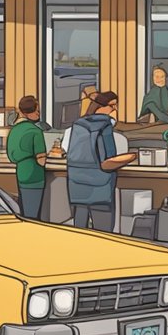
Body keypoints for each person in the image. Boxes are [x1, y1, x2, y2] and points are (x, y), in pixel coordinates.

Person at [65, 91, 132, 232]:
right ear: (99, 107)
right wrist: (131, 157)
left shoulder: (78, 125)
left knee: (79, 232)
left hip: (78, 187)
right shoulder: (104, 126)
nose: (115, 110)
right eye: (112, 106)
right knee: (103, 233)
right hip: (100, 189)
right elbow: (106, 163)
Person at [7, 95, 48, 220]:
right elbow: (42, 160)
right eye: (36, 110)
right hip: (34, 175)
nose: (38, 113)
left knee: (23, 212)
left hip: (20, 173)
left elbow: (11, 156)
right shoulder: (35, 131)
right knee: (33, 214)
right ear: (29, 112)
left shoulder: (13, 130)